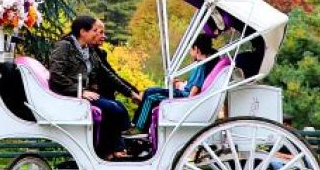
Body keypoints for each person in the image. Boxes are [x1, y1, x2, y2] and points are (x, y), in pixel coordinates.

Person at [48, 16, 141, 159]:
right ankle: (107, 150)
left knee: (118, 106)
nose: (98, 34)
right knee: (112, 108)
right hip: (68, 94)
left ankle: (117, 147)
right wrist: (80, 91)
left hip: (81, 93)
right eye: (95, 30)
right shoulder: (64, 46)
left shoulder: (89, 51)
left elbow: (108, 75)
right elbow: (56, 76)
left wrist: (131, 93)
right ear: (83, 32)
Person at [132, 33, 217, 132]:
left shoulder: (203, 65)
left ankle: (139, 127)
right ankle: (135, 123)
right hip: (182, 92)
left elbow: (195, 89)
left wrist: (187, 103)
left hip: (184, 97)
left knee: (151, 98)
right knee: (149, 91)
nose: (190, 52)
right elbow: (193, 85)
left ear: (196, 49)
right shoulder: (202, 64)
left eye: (191, 49)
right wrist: (179, 84)